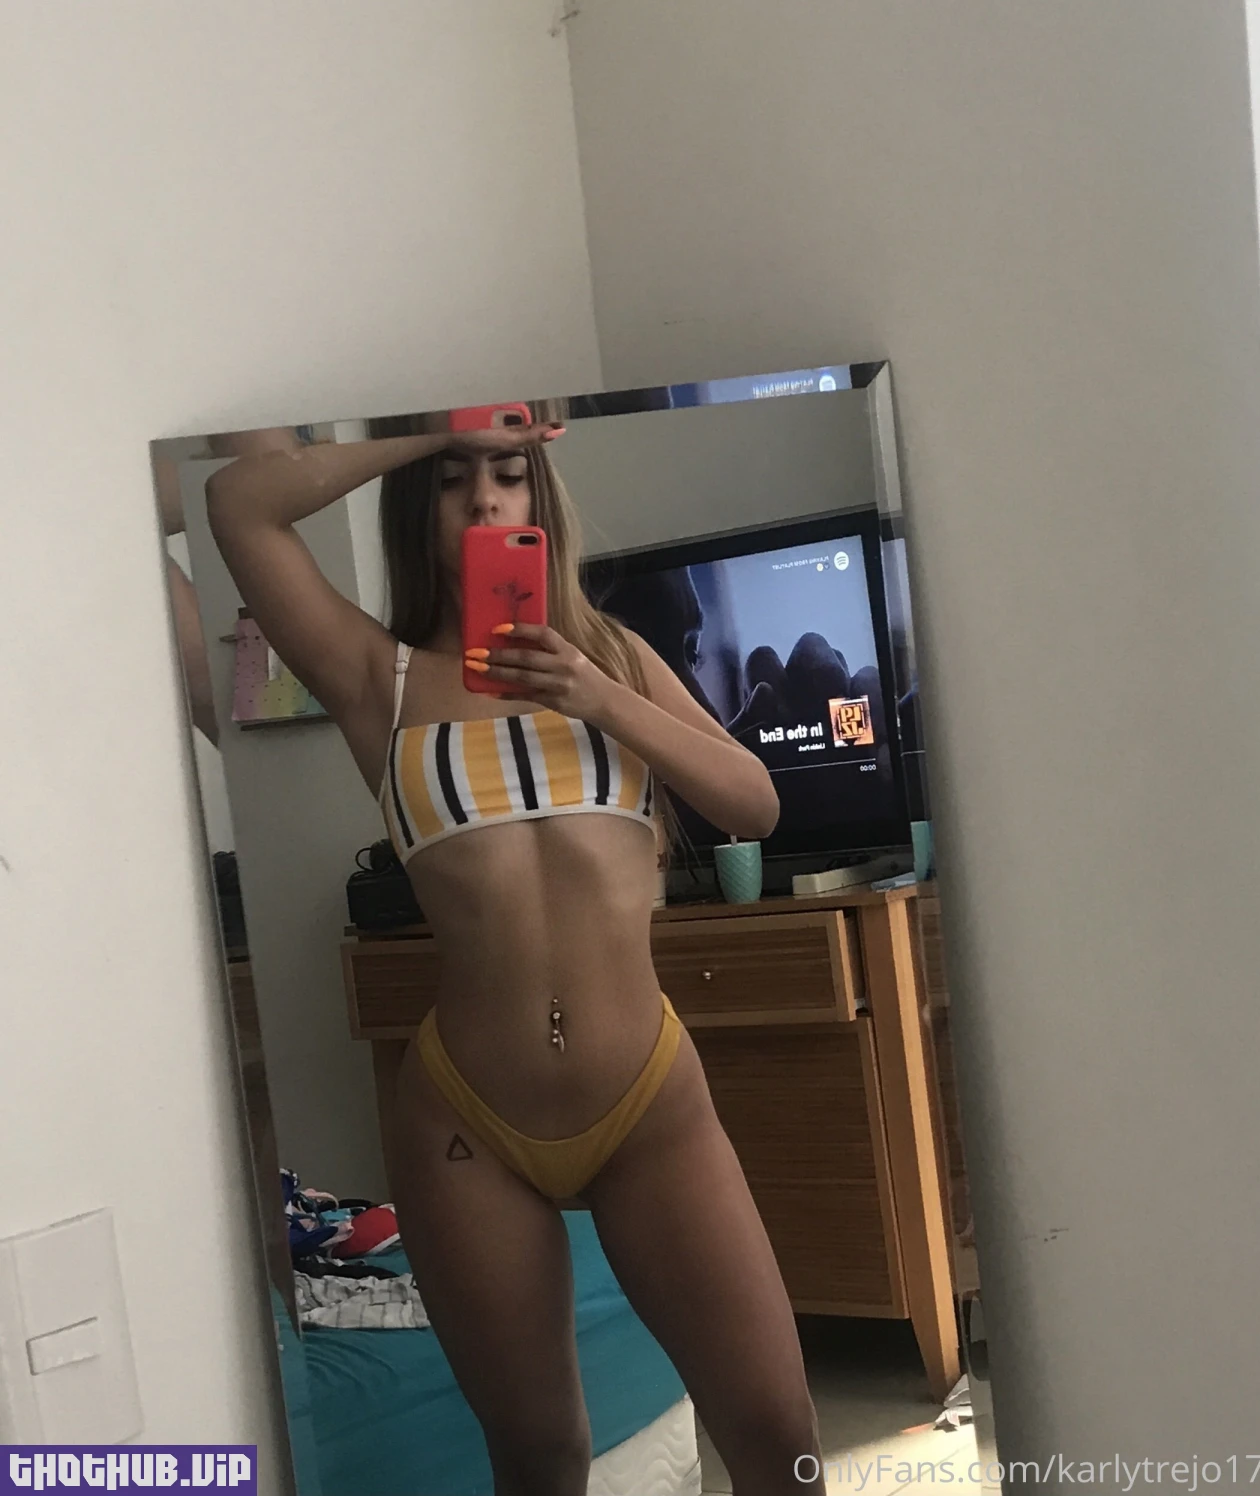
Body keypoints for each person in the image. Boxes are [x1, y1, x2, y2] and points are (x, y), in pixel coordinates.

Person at [205, 418, 827, 1496]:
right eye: (454, 481)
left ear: (541, 498)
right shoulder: (378, 675)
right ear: (419, 503)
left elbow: (755, 805)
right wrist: (423, 431)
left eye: (509, 475)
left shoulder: (614, 657)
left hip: (646, 1099)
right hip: (466, 1121)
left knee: (781, 1434)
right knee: (539, 1456)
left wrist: (595, 695)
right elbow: (239, 505)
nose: (487, 501)